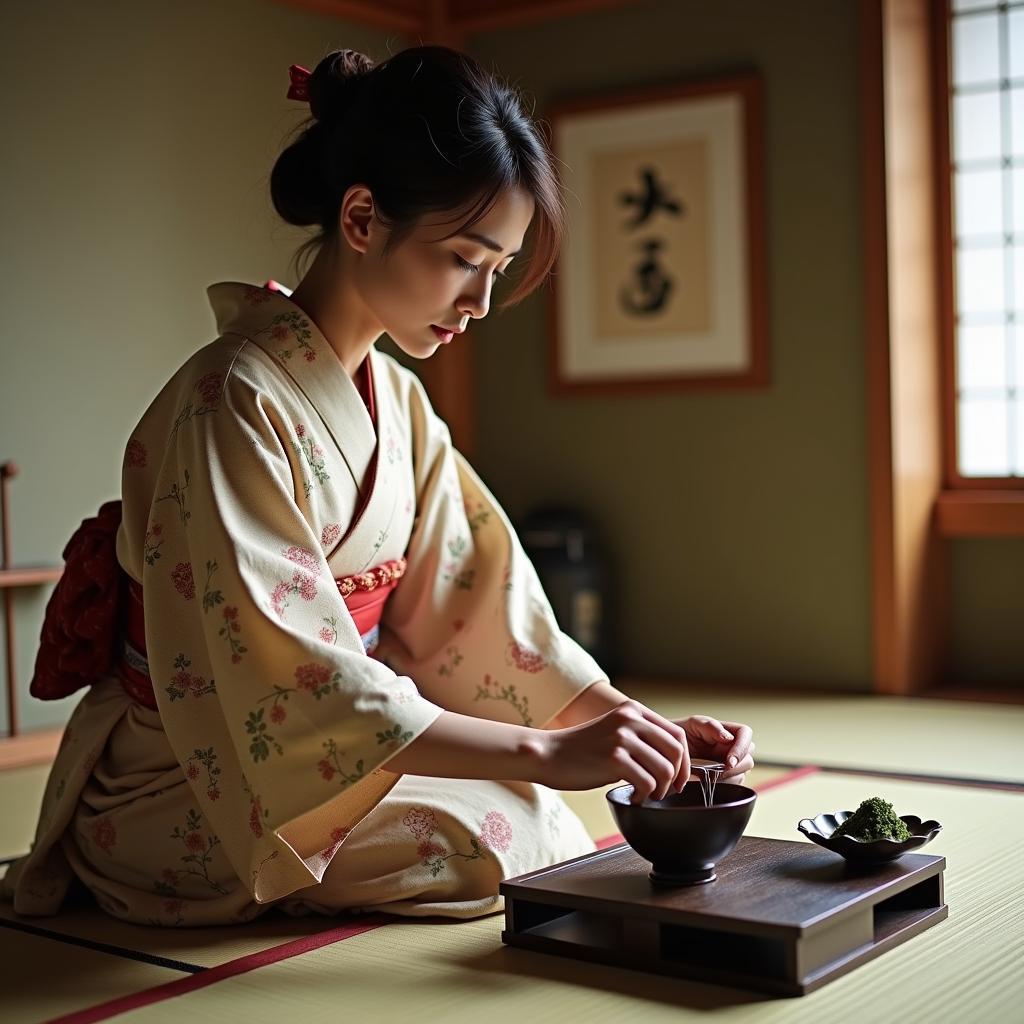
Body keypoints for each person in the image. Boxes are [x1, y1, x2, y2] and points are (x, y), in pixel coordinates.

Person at [1, 46, 755, 927]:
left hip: (327, 748)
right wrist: (547, 750)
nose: (479, 300)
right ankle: (121, 858)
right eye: (467, 258)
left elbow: (483, 615)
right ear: (361, 218)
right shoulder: (230, 399)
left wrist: (637, 728)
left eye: (498, 270)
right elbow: (294, 677)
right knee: (489, 837)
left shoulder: (397, 400)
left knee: (533, 816)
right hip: (190, 777)